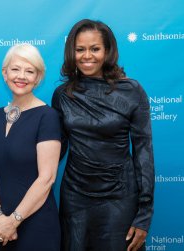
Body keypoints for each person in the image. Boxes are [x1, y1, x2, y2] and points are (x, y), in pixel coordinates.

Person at [52, 19, 155, 251]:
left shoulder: (132, 91)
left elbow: (144, 152)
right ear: (72, 52)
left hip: (119, 198)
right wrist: (11, 162)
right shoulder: (62, 95)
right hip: (75, 197)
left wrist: (144, 213)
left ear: (107, 51)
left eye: (95, 49)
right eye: (80, 49)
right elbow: (56, 149)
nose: (87, 56)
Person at [0, 43, 61, 250]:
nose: (21, 76)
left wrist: (13, 221)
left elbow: (47, 178)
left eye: (29, 71)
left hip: (36, 224)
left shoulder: (47, 116)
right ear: (5, 73)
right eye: (15, 69)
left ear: (38, 78)